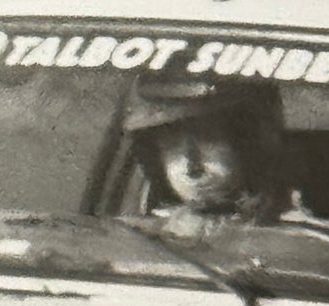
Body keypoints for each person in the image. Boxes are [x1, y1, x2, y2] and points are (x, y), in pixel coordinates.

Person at [123, 82, 287, 235]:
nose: (191, 166)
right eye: (172, 146)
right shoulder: (142, 236)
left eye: (207, 140)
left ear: (245, 146)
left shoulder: (290, 231)